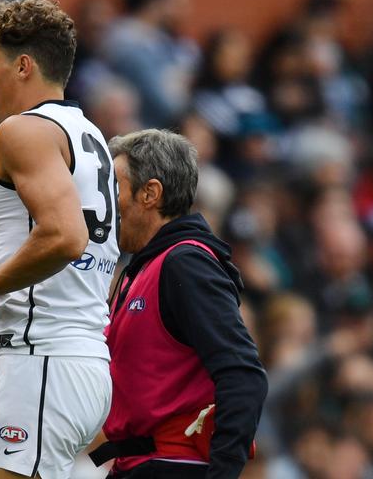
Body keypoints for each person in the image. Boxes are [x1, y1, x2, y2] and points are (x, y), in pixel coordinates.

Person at [0, 0, 120, 479]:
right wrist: (4, 367)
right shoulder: (89, 133)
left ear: (23, 66)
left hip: (46, 364)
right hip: (43, 359)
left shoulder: (25, 130)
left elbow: (64, 236)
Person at [90, 129, 268, 478]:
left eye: (113, 187)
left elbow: (244, 376)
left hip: (172, 467)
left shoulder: (184, 263)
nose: (105, 203)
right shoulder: (141, 267)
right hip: (136, 465)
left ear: (150, 194)